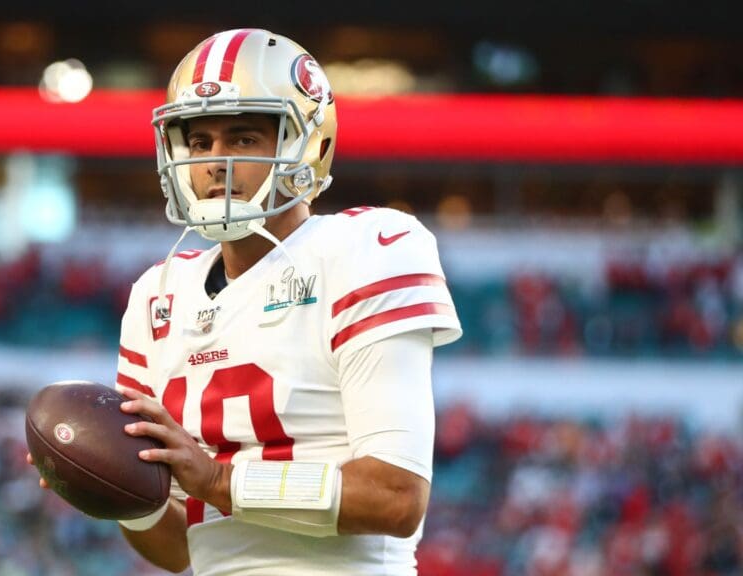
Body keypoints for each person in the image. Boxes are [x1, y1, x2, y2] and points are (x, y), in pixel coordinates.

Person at [31, 28, 461, 575]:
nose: (214, 162)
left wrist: (217, 481)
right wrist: (111, 489)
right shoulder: (156, 296)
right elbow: (181, 548)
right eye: (199, 141)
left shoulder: (365, 251)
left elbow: (396, 497)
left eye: (243, 138)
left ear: (309, 144)